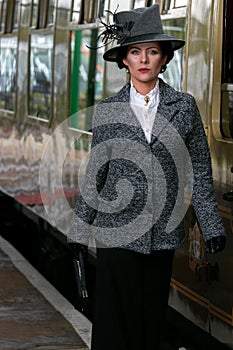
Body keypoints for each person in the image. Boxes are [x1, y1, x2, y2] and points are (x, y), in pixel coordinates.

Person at [68, 4, 226, 350]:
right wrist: (80, 231)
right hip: (116, 231)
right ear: (124, 60)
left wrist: (211, 223)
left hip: (162, 232)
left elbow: (198, 168)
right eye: (135, 52)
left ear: (164, 59)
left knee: (150, 322)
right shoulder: (109, 110)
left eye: (152, 52)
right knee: (114, 324)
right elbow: (97, 171)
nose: (143, 59)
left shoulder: (184, 106)